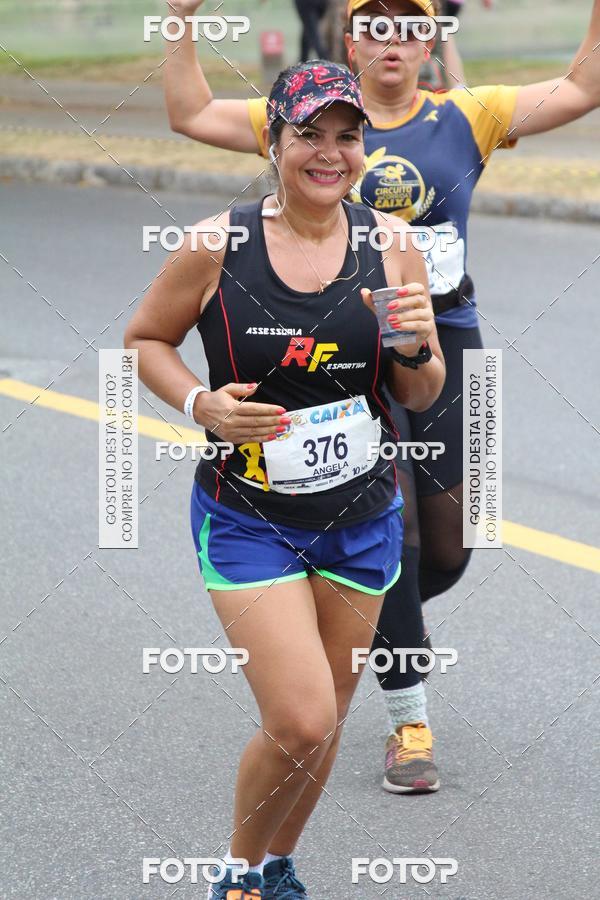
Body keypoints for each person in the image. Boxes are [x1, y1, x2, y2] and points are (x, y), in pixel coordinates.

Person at [163, 0, 600, 795]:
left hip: (441, 340)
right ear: (348, 37)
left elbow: (583, 85)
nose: (393, 39)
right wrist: (179, 22)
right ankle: (408, 719)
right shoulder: (310, 120)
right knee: (383, 529)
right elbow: (188, 111)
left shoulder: (470, 114)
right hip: (343, 354)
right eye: (375, 23)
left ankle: (355, 617)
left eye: (411, 24)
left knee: (449, 547)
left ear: (431, 38)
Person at [126, 63, 445, 899]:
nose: (329, 153)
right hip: (248, 517)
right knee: (300, 716)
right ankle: (234, 873)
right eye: (308, 133)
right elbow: (145, 341)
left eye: (347, 137)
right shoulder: (217, 244)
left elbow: (421, 390)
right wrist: (201, 402)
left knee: (325, 724)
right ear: (273, 141)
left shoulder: (391, 244)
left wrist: (416, 346)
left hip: (362, 516)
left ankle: (276, 868)